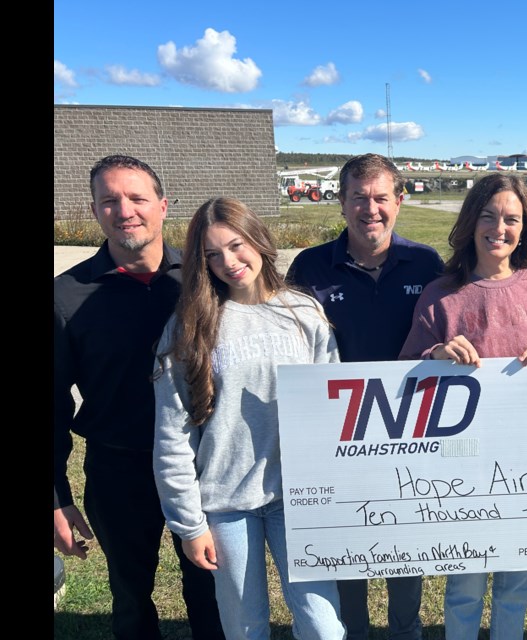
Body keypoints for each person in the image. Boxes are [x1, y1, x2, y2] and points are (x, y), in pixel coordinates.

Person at [152, 197, 345, 640]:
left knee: (323, 626)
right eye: (212, 255)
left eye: (236, 246)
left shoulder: (303, 313)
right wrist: (189, 524)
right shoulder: (190, 325)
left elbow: (332, 408)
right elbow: (172, 435)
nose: (229, 262)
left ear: (258, 238)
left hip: (299, 498)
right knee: (244, 626)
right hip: (225, 503)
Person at [399, 172, 527, 640]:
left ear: (526, 228)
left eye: (512, 219)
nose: (500, 228)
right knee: (464, 583)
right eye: (489, 216)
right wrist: (434, 356)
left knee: (516, 582)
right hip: (463, 464)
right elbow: (401, 374)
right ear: (470, 222)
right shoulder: (441, 295)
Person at [54, 155, 225, 640]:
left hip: (203, 466)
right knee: (130, 594)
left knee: (211, 587)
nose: (124, 210)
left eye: (136, 198)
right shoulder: (66, 296)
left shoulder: (203, 283)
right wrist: (56, 499)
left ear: (163, 206)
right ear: (95, 211)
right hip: (118, 469)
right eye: (109, 200)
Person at [285, 153, 443, 640]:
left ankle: (405, 630)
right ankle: (352, 629)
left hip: (410, 432)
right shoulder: (310, 267)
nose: (369, 209)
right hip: (337, 436)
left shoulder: (425, 262)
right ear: (341, 203)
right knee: (346, 543)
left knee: (403, 544)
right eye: (358, 197)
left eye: (380, 198)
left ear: (399, 201)